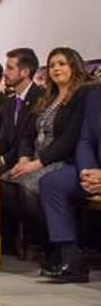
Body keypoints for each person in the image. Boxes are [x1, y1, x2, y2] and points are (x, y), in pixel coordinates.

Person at [1, 48, 89, 263]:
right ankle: (46, 242)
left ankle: (54, 247)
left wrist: (37, 163)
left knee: (27, 189)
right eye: (52, 65)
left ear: (73, 67)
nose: (56, 69)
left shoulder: (81, 96)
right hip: (35, 160)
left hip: (60, 160)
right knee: (2, 184)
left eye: (61, 64)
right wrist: (24, 159)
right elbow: (27, 135)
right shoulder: (47, 97)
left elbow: (70, 139)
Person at [39, 85, 101, 283]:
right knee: (52, 182)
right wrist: (86, 172)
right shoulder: (95, 96)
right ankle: (70, 257)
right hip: (93, 171)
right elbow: (85, 141)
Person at [0, 48, 43, 172]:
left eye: (10, 68)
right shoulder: (9, 102)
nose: (4, 73)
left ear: (25, 72)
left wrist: (3, 160)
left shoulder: (41, 98)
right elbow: (4, 140)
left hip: (29, 163)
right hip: (8, 163)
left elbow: (32, 138)